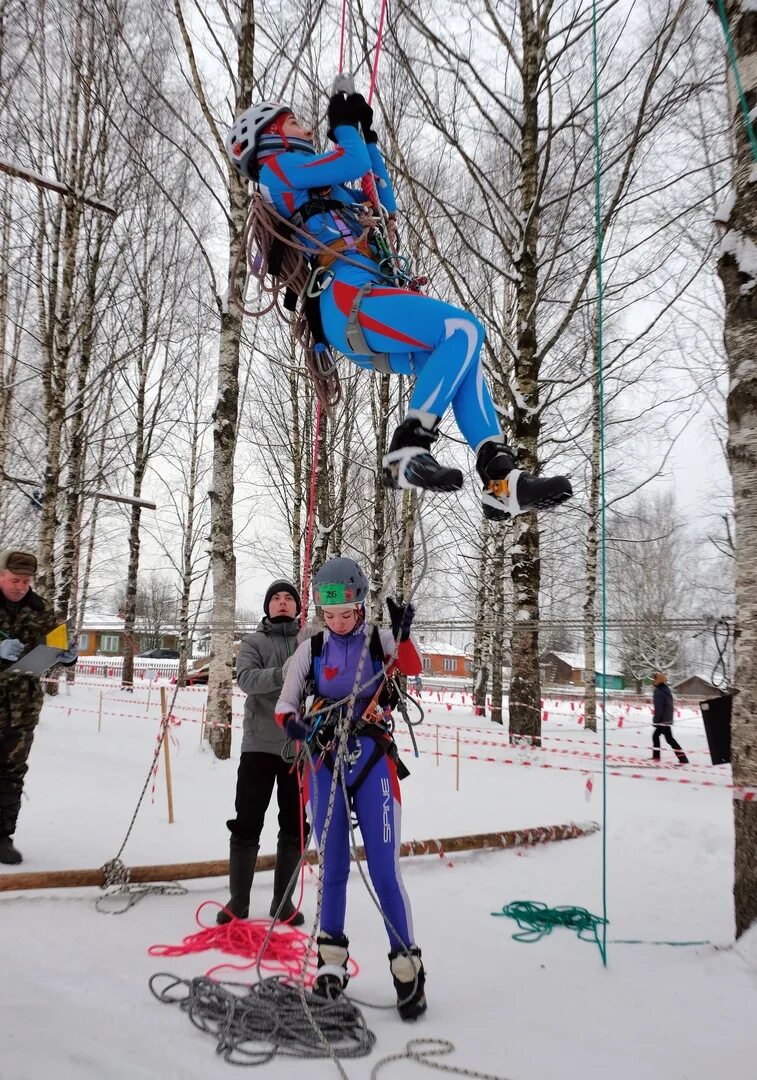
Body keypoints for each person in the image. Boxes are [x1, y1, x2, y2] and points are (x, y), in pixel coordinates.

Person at [225, 88, 573, 522]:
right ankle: (408, 448)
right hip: (346, 297)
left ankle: (501, 480)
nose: (309, 130)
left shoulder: (322, 186)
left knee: (461, 359)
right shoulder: (276, 169)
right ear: (270, 136)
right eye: (296, 123)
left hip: (364, 303)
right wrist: (343, 126)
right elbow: (351, 162)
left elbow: (383, 204)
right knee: (463, 330)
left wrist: (367, 139)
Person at [275, 556, 427, 1021]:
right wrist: (298, 727)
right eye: (330, 614)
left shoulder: (378, 640)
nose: (338, 622)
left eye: (346, 613)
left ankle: (407, 969)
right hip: (324, 761)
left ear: (360, 606)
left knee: (383, 869)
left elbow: (412, 666)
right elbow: (285, 705)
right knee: (334, 866)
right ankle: (331, 964)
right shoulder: (311, 648)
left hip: (373, 760)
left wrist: (403, 635)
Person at [218, 579, 307, 926]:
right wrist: (283, 674)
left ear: (297, 606)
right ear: (267, 606)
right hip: (258, 746)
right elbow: (247, 680)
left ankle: (283, 903)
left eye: (289, 598)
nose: (283, 602)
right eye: (276, 598)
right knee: (247, 821)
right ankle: (238, 901)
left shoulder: (308, 642)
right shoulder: (252, 643)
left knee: (295, 825)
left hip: (298, 750)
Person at [0, 549, 77, 864]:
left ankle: (2, 837)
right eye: (14, 579)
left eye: (26, 581)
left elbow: (53, 647)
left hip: (21, 710)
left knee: (12, 774)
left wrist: (66, 656)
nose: (21, 586)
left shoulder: (41, 610)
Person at [651, 671, 688, 765]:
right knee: (657, 736)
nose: (653, 681)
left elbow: (659, 708)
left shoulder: (659, 692)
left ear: (658, 681)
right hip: (666, 718)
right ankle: (656, 757)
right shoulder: (666, 690)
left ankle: (683, 759)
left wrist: (656, 720)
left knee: (669, 739)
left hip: (662, 719)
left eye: (654, 679)